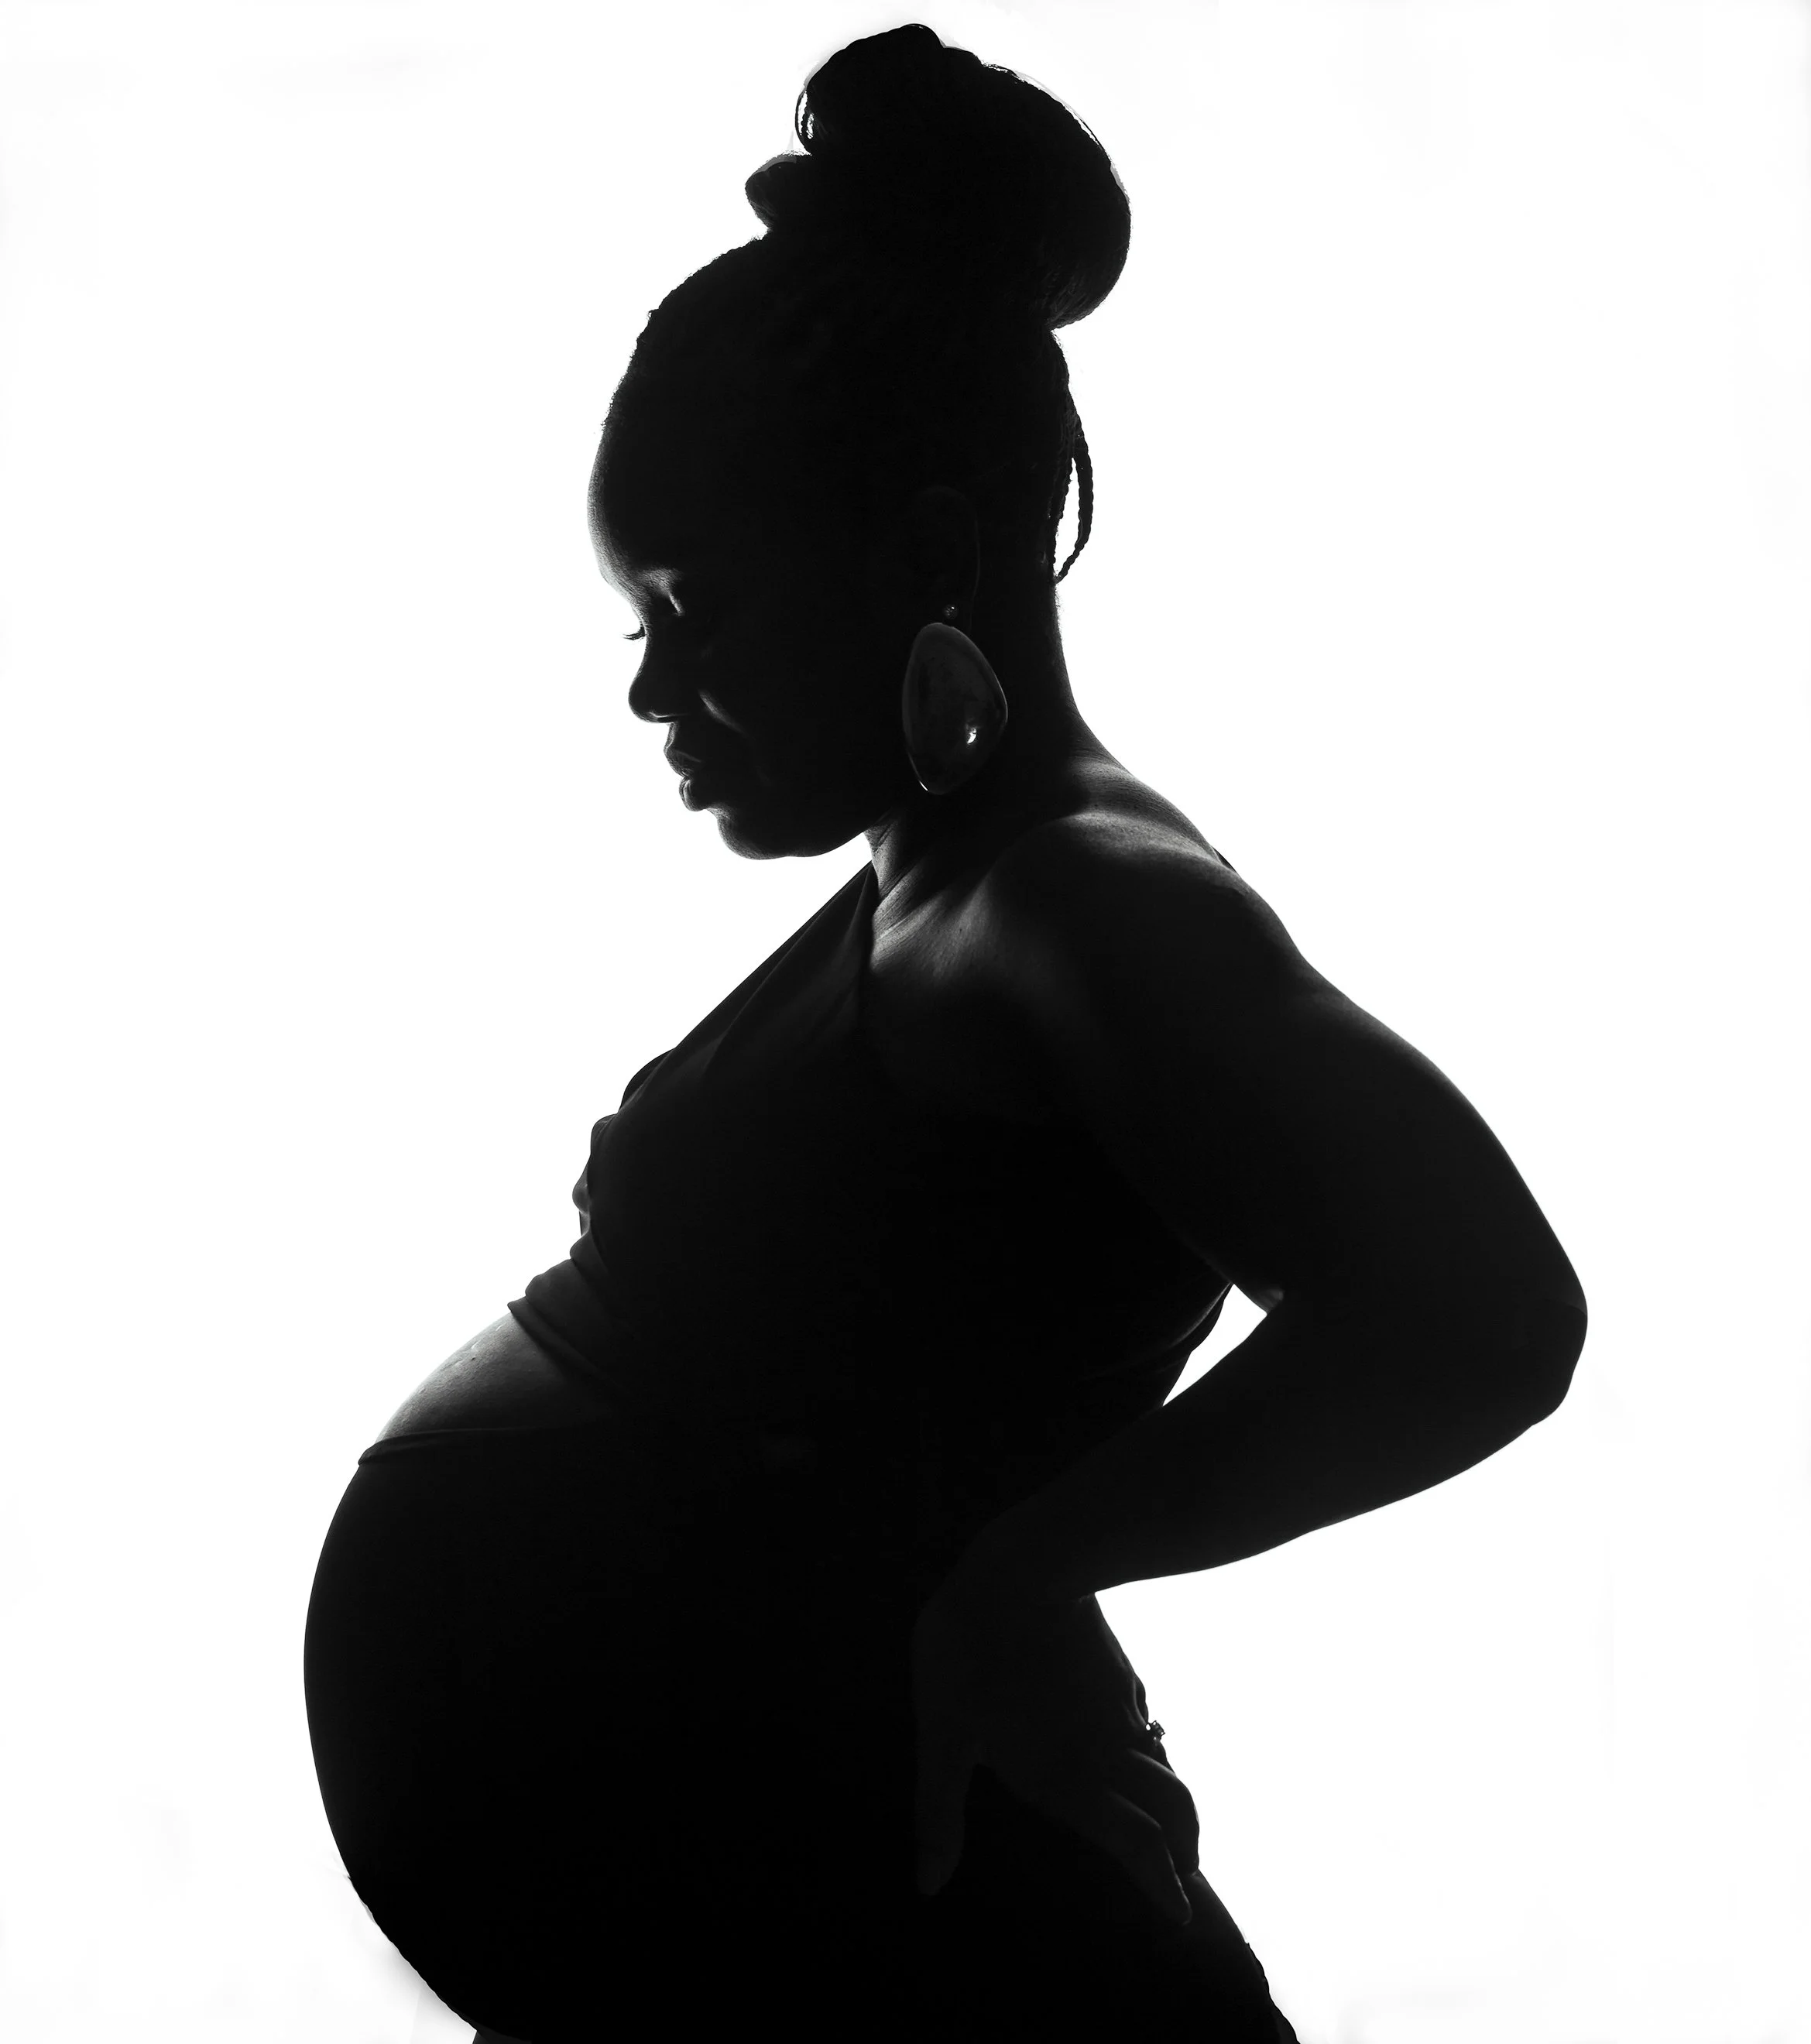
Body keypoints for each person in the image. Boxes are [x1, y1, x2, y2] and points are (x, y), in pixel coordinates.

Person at [303, 24, 1588, 2042]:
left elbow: (1484, 1311)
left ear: (914, 552)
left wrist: (1017, 1571)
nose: (653, 690)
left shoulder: (1081, 895)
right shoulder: (943, 876)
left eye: (694, 605)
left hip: (924, 1937)